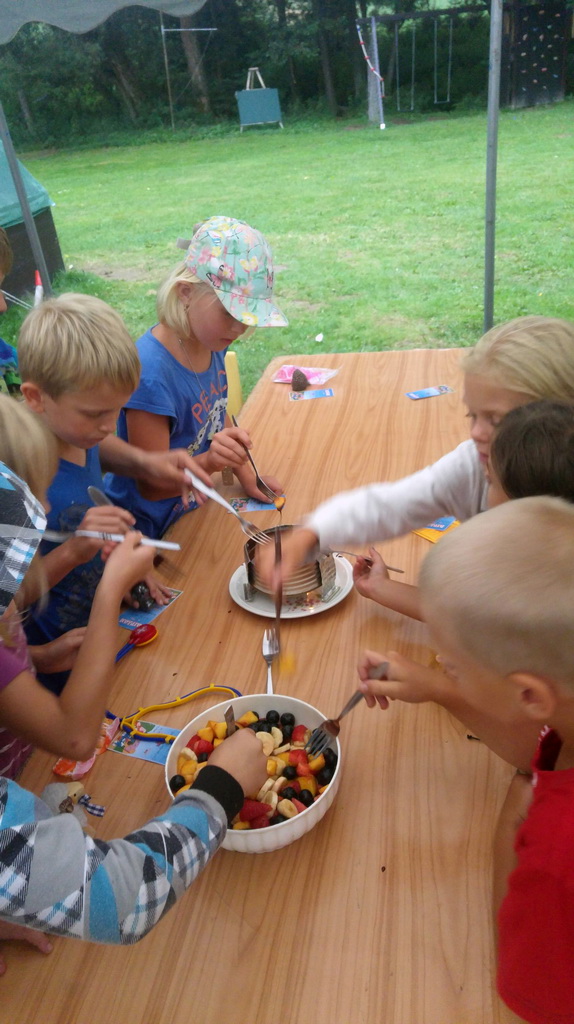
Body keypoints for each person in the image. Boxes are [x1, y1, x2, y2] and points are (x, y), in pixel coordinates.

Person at [364, 497, 574, 1024]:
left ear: (530, 694)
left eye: (452, 664)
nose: (442, 663)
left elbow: (526, 984)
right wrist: (439, 688)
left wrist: (517, 815)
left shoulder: (555, 853)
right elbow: (539, 742)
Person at [257, 316, 574, 595]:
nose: (476, 433)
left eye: (496, 419)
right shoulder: (473, 466)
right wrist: (311, 532)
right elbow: (392, 506)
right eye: (472, 415)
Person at [16, 293, 212, 694]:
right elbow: (12, 598)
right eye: (95, 414)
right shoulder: (15, 472)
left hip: (105, 627)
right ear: (36, 398)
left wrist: (146, 462)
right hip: (53, 665)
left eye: (117, 409)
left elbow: (97, 446)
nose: (109, 425)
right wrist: (74, 552)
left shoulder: (77, 430)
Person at [105, 215, 288, 538]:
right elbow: (152, 486)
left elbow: (217, 415)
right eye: (229, 313)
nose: (239, 328)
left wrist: (247, 475)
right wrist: (211, 463)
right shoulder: (151, 375)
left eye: (247, 317)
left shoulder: (209, 340)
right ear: (186, 293)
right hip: (148, 531)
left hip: (195, 506)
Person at [353, 398, 574, 622]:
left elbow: (472, 620)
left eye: (490, 480)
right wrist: (379, 587)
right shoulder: (544, 548)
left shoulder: (534, 586)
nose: (484, 478)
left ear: (526, 508)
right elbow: (469, 611)